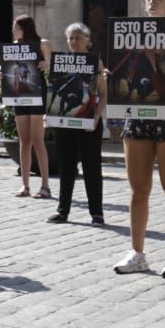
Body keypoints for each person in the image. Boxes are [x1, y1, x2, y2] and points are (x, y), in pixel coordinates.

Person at [116, 0, 165, 279]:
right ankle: (137, 253)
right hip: (137, 115)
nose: (151, 2)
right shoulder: (129, 38)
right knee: (138, 190)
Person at [46, 21, 106, 224]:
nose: (73, 41)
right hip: (65, 123)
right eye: (70, 38)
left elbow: (104, 94)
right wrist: (50, 114)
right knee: (67, 166)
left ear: (87, 41)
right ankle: (62, 210)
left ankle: (97, 213)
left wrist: (97, 117)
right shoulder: (61, 61)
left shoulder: (95, 62)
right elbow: (54, 91)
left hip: (89, 122)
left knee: (92, 167)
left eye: (78, 38)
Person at [9, 15, 51, 197]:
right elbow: (10, 69)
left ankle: (45, 186)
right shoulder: (14, 48)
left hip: (36, 93)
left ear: (25, 28)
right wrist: (3, 77)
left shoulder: (42, 44)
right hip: (19, 95)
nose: (13, 31)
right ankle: (25, 185)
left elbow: (53, 66)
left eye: (16, 27)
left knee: (37, 140)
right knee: (24, 141)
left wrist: (46, 64)